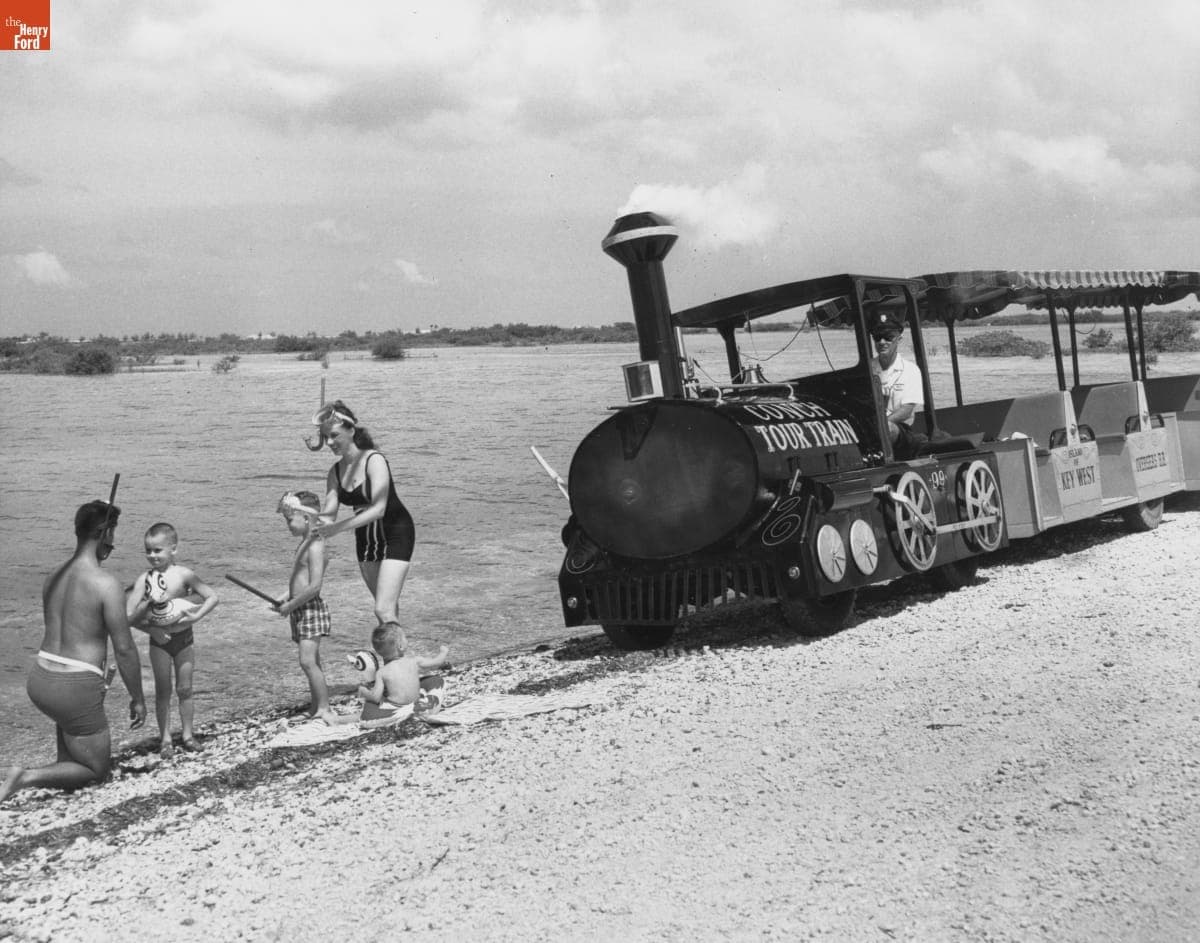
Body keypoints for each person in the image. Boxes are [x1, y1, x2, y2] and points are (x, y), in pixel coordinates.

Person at [2, 501, 147, 804]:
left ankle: (63, 772)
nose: (113, 542)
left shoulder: (54, 575)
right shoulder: (105, 584)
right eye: (112, 533)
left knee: (72, 743)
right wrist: (137, 697)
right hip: (75, 686)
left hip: (42, 678)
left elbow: (71, 627)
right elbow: (124, 648)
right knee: (97, 769)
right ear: (103, 532)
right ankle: (25, 776)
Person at [313, 400, 416, 626]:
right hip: (366, 540)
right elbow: (328, 514)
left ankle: (396, 658)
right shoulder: (335, 473)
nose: (330, 442)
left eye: (334, 435)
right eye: (325, 437)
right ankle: (398, 658)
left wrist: (336, 528)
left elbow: (379, 509)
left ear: (351, 431)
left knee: (382, 608)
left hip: (396, 532)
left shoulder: (374, 460)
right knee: (386, 608)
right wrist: (305, 514)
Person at [126, 522, 219, 758]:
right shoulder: (143, 580)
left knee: (185, 688)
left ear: (173, 549)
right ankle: (165, 739)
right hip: (160, 643)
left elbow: (212, 597)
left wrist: (196, 615)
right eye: (148, 550)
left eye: (158, 550)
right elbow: (127, 617)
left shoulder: (184, 575)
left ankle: (188, 735)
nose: (152, 555)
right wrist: (152, 630)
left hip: (184, 639)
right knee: (163, 691)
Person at [275, 490, 334, 722]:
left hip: (310, 609)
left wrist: (291, 606)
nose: (287, 525)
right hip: (300, 607)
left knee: (307, 661)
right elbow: (299, 582)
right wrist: (285, 597)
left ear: (306, 518)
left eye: (290, 520)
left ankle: (325, 708)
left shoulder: (316, 546)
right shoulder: (305, 543)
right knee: (312, 662)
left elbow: (315, 587)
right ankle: (316, 706)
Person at [358, 621, 449, 713]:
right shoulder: (415, 661)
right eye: (405, 637)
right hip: (417, 706)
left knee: (379, 700)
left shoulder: (381, 673)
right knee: (435, 681)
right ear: (400, 646)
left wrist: (364, 692)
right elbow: (436, 663)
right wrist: (443, 652)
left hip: (395, 709)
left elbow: (375, 698)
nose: (407, 639)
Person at [870, 308, 924, 454]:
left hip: (901, 430)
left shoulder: (910, 370)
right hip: (870, 426)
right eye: (877, 337)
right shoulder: (868, 369)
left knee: (887, 427)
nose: (882, 342)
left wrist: (881, 425)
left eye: (888, 337)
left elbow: (906, 411)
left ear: (898, 339)